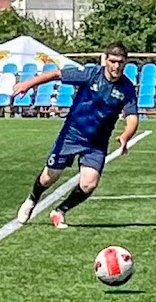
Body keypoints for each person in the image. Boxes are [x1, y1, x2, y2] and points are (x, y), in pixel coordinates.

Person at [15, 42, 139, 229]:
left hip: (97, 142)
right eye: (113, 61)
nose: (116, 66)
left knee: (89, 184)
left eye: (120, 62)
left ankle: (60, 211)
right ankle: (32, 199)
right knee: (49, 178)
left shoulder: (127, 88)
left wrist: (126, 136)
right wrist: (27, 84)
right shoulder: (90, 74)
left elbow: (132, 118)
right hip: (72, 135)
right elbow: (56, 74)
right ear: (105, 60)